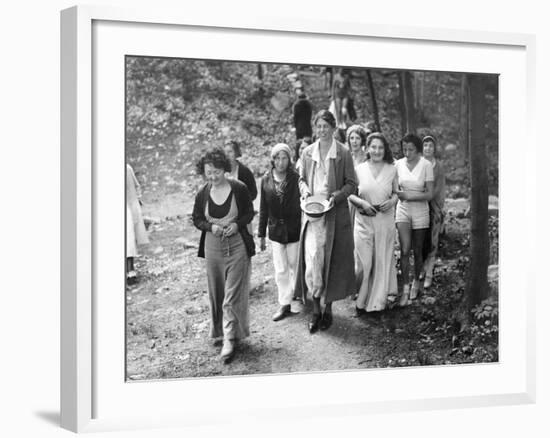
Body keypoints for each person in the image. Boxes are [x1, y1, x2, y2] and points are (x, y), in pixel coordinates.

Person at [295, 110, 357, 333]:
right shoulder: (307, 152)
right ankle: (314, 310)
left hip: (332, 215)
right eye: (318, 126)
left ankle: (328, 308)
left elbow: (352, 184)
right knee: (312, 261)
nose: (322, 130)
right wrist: (304, 192)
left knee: (330, 261)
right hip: (311, 214)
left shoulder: (342, 153)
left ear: (333, 128)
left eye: (325, 126)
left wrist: (335, 197)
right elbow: (300, 179)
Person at [192, 148, 255, 363]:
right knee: (217, 292)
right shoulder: (203, 193)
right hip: (213, 249)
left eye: (216, 172)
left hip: (237, 248)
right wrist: (210, 227)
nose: (212, 176)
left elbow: (248, 212)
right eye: (208, 172)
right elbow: (197, 219)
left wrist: (238, 225)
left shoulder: (239, 188)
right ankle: (221, 331)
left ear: (224, 169)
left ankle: (230, 337)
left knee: (232, 294)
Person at [348, 133, 399, 315]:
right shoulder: (359, 169)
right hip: (363, 219)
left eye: (380, 148)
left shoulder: (391, 169)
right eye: (373, 147)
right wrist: (361, 203)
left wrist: (392, 202)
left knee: (381, 261)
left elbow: (396, 192)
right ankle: (360, 300)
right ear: (367, 148)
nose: (377, 151)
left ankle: (375, 304)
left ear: (385, 150)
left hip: (384, 220)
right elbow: (350, 193)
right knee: (364, 264)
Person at [258, 144, 302, 321]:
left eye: (284, 158)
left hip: (293, 228)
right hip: (275, 230)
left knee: (294, 264)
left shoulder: (296, 178)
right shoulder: (266, 179)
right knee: (281, 268)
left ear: (289, 159)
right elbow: (263, 208)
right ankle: (284, 304)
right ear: (272, 160)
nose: (280, 162)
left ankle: (298, 293)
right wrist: (261, 234)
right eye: (277, 158)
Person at [395, 133, 434, 305]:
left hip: (420, 212)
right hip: (402, 210)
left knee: (418, 251)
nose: (407, 153)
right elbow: (395, 189)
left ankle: (416, 283)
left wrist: (410, 196)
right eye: (404, 149)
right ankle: (404, 287)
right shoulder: (398, 164)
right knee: (404, 250)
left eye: (411, 149)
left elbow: (430, 193)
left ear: (418, 149)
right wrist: (399, 195)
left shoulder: (426, 165)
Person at [421, 135, 446, 288]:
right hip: (419, 207)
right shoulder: (419, 164)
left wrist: (437, 208)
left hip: (433, 207)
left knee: (433, 241)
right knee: (420, 240)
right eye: (425, 146)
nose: (428, 148)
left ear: (434, 148)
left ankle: (429, 272)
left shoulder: (439, 166)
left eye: (430, 145)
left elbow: (440, 189)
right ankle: (422, 269)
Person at [126, 163, 149, 285]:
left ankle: (130, 270)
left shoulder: (127, 169)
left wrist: (137, 201)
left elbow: (136, 186)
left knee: (128, 240)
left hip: (128, 208)